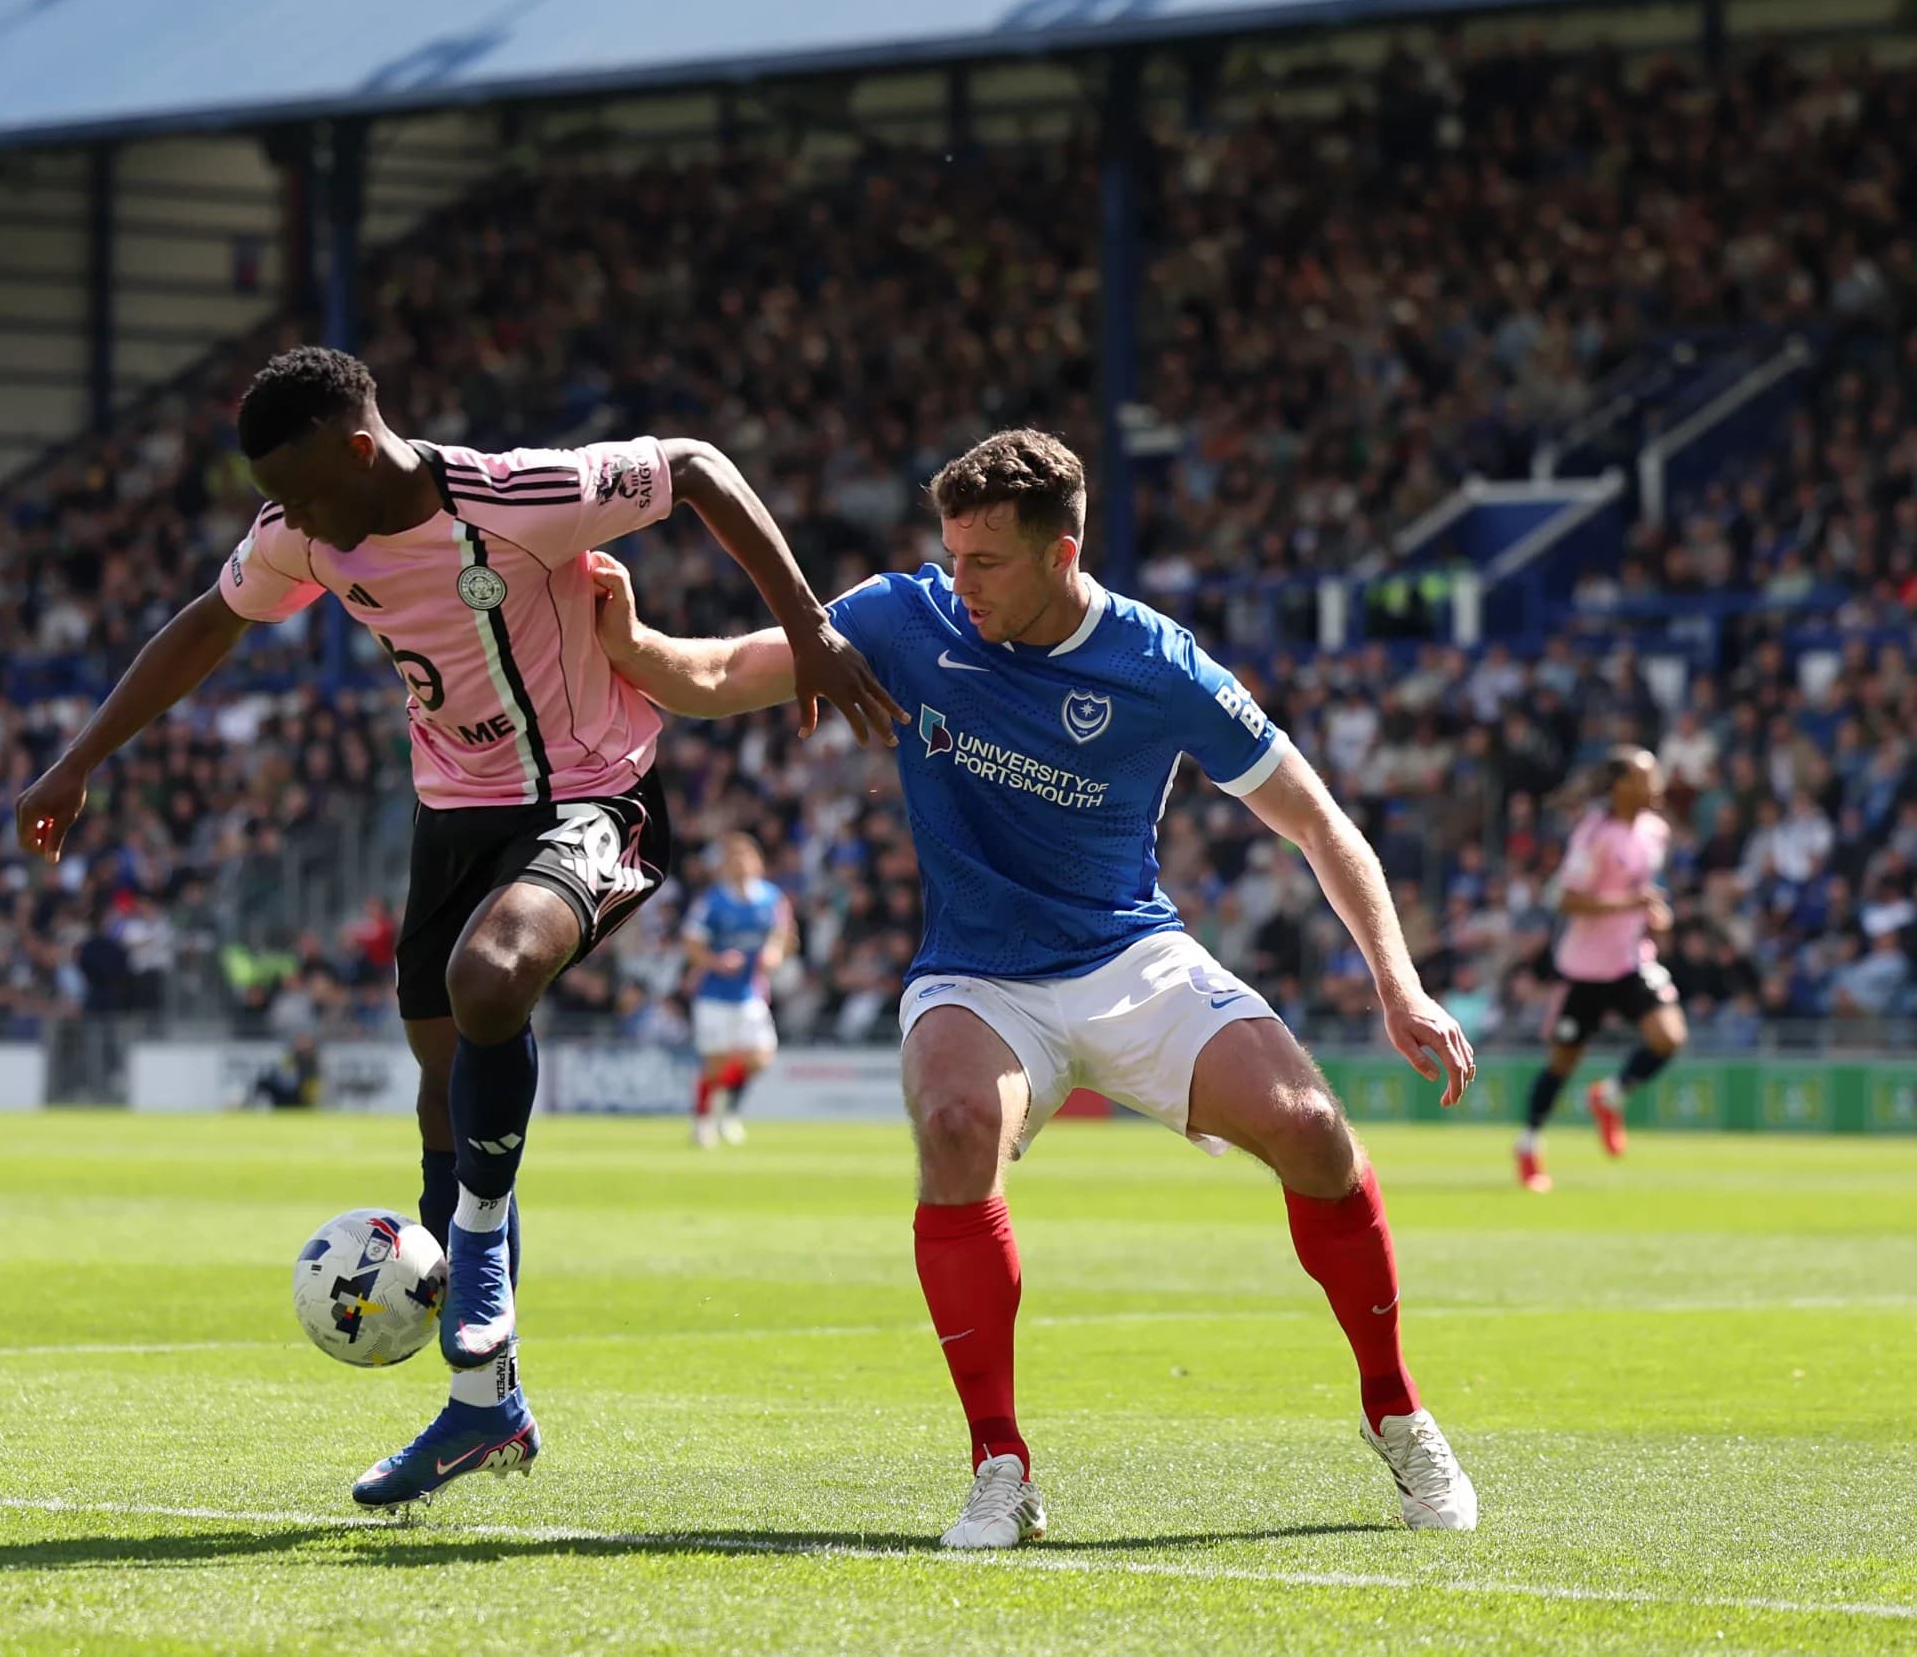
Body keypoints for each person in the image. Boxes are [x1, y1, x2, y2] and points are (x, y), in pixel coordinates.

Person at [12, 346, 897, 1509]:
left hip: (593, 794)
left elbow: (696, 469)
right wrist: (78, 763)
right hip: (452, 822)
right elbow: (206, 624)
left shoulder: (519, 495)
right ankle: (487, 1411)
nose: (293, 522)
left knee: (493, 980)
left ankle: (476, 1257)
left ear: (361, 450)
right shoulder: (308, 535)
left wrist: (813, 630)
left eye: (306, 492)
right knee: (443, 1095)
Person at [590, 428, 1480, 1546]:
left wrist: (1399, 988)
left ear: (1062, 554)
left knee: (1311, 1130)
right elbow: (720, 672)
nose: (957, 584)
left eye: (985, 563)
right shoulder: (899, 618)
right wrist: (629, 640)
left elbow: (1316, 822)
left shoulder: (1160, 664)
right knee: (957, 1126)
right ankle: (998, 1464)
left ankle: (1395, 1412)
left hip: (1130, 958)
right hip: (975, 974)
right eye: (950, 556)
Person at [1514, 747, 1685, 1191]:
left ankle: (1609, 1096)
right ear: (1621, 786)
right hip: (1585, 969)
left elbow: (1639, 887)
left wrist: (1653, 912)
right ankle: (1529, 1146)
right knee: (1563, 1062)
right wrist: (1632, 903)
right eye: (1648, 778)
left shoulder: (1654, 831)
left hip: (1631, 961)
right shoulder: (1594, 833)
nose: (1657, 785)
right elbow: (1565, 898)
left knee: (1669, 1038)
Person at [681, 832, 794, 1147]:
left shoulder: (772, 898)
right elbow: (691, 943)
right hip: (714, 994)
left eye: (746, 858)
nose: (741, 865)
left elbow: (783, 934)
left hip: (750, 993)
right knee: (715, 1062)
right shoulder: (713, 901)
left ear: (758, 863)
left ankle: (728, 1111)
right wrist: (715, 961)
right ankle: (703, 1121)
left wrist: (775, 952)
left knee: (760, 1058)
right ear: (725, 866)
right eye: (734, 859)